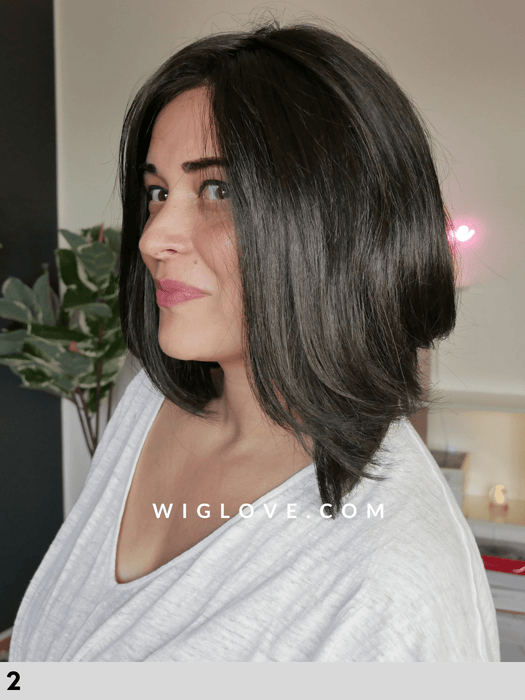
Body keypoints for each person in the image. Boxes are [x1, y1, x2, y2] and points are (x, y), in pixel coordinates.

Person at [9, 18, 500, 662]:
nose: (152, 238)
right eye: (157, 192)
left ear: (334, 222)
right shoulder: (149, 402)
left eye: (217, 189)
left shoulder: (391, 592)